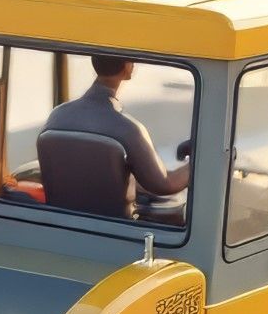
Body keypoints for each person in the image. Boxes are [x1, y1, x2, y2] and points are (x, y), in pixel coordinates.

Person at [40, 55, 189, 211]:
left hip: (61, 224)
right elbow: (164, 184)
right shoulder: (129, 129)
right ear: (127, 66)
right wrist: (193, 165)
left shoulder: (57, 116)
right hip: (115, 229)